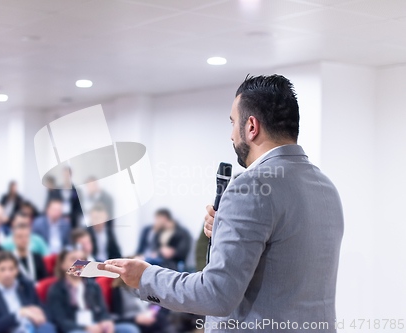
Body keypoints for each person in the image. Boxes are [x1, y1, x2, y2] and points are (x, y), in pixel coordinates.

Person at [99, 74, 345, 333]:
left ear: (251, 126)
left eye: (232, 123)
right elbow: (285, 260)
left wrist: (145, 277)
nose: (231, 135)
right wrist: (225, 230)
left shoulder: (249, 186)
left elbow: (215, 294)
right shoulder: (325, 187)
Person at [47, 248, 139, 333]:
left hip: (96, 325)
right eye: (73, 259)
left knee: (129, 329)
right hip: (76, 328)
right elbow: (61, 320)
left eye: (82, 259)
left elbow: (103, 311)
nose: (78, 263)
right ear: (62, 264)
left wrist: (106, 321)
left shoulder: (93, 286)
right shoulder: (56, 290)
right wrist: (86, 328)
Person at [0, 251, 56, 333]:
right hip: (8, 330)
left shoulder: (26, 286)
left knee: (47, 327)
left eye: (11, 269)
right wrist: (19, 314)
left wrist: (41, 314)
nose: (7, 274)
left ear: (17, 270)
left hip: (32, 329)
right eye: (2, 270)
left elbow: (45, 311)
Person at [110, 277, 176, 333]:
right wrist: (135, 319)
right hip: (134, 321)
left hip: (151, 317)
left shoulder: (145, 285)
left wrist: (153, 310)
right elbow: (117, 316)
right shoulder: (119, 289)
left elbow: (158, 303)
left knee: (161, 317)